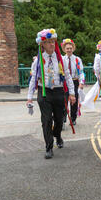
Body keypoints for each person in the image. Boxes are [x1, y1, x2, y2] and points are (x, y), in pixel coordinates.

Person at [26, 28, 76, 159]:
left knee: (59, 120)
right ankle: (49, 147)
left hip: (59, 92)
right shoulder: (38, 61)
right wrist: (29, 97)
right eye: (48, 42)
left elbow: (68, 76)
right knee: (46, 120)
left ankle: (58, 135)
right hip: (44, 93)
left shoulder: (61, 59)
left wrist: (72, 93)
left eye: (53, 41)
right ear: (42, 44)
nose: (51, 44)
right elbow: (33, 79)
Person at [61, 38, 85, 126]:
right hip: (65, 83)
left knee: (73, 102)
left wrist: (81, 82)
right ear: (64, 49)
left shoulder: (77, 59)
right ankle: (63, 119)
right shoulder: (62, 59)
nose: (69, 50)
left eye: (71, 48)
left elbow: (81, 72)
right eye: (67, 48)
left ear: (73, 49)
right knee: (63, 102)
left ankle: (73, 118)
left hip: (75, 82)